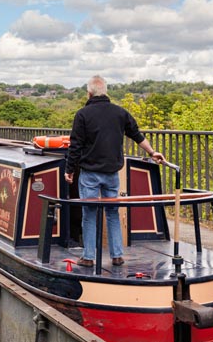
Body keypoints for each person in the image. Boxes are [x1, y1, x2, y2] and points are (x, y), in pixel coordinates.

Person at [64, 75, 164, 268]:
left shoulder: (83, 115)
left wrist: (69, 170)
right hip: (112, 173)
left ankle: (88, 257)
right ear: (106, 92)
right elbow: (136, 135)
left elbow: (75, 146)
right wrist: (152, 152)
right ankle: (117, 255)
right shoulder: (120, 113)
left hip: (90, 174)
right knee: (113, 213)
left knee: (89, 214)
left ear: (89, 92)